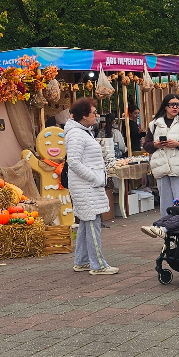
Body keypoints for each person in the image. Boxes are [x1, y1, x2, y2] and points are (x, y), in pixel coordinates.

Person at [65, 98, 118, 275]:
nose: (96, 115)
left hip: (87, 185)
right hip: (85, 186)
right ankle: (98, 265)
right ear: (84, 115)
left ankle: (82, 260)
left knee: (86, 222)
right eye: (94, 113)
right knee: (93, 222)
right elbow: (73, 161)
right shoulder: (76, 134)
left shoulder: (82, 132)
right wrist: (94, 177)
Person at [144, 94, 179, 211]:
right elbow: (146, 145)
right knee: (165, 202)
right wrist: (155, 145)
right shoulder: (154, 124)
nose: (175, 107)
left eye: (177, 105)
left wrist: (178, 144)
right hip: (162, 168)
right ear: (165, 106)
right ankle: (165, 227)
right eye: (172, 105)